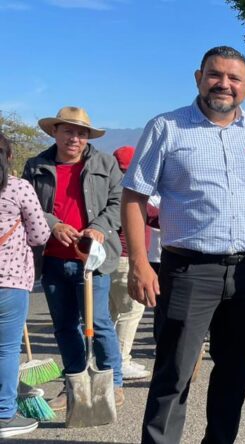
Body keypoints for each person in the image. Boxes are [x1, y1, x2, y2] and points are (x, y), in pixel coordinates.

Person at [120, 45, 245, 444]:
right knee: (174, 375)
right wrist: (139, 264)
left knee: (235, 374)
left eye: (234, 78)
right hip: (187, 271)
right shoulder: (166, 127)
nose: (224, 84)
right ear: (198, 78)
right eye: (215, 74)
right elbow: (134, 197)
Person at [22, 106, 125, 412]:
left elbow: (119, 203)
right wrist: (54, 225)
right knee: (65, 326)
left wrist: (97, 228)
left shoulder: (105, 164)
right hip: (53, 259)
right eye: (68, 131)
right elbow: (27, 206)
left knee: (99, 322)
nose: (75, 138)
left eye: (81, 133)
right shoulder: (36, 165)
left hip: (93, 261)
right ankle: (74, 383)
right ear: (55, 132)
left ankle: (113, 382)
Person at [0, 131, 51, 438]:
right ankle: (4, 413)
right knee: (5, 349)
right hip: (10, 283)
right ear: (8, 158)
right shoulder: (19, 188)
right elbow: (40, 235)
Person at [108, 146, 151, 381]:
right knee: (131, 311)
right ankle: (121, 361)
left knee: (111, 312)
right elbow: (153, 214)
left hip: (110, 258)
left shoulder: (108, 187)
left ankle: (106, 359)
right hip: (126, 258)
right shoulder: (129, 191)